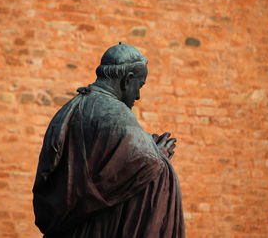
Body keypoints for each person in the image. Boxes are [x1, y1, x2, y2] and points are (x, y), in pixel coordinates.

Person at [33, 43, 185, 237]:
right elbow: (147, 165)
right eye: (139, 85)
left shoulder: (68, 110)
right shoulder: (116, 113)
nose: (138, 95)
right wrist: (160, 156)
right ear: (127, 80)